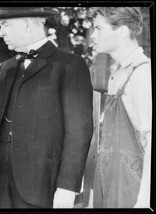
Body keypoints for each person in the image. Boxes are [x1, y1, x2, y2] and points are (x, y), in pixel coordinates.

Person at [0, 7, 94, 208]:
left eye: (5, 25)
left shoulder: (69, 65)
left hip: (41, 185)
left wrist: (67, 187)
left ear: (28, 24)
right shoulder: (6, 69)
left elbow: (79, 133)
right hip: (2, 184)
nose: (1, 33)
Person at [88, 7, 151, 208]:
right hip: (109, 179)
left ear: (122, 32)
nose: (93, 36)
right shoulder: (116, 73)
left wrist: (143, 202)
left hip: (131, 188)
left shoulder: (143, 73)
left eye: (99, 28)